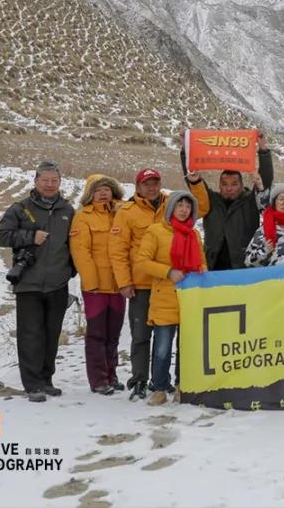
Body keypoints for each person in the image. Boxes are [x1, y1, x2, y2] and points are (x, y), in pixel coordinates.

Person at [0, 161, 75, 402]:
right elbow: (0, 236)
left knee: (52, 334)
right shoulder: (20, 208)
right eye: (45, 180)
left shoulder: (68, 210)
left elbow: (75, 244)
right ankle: (32, 385)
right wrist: (30, 236)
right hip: (29, 283)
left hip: (58, 283)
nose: (49, 185)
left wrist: (70, 271)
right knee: (30, 336)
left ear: (60, 182)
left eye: (54, 180)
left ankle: (46, 380)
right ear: (36, 181)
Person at [134, 191, 207, 406]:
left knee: (187, 347)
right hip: (164, 298)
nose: (184, 210)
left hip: (188, 299)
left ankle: (182, 386)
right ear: (171, 208)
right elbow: (142, 262)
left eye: (188, 206)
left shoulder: (194, 234)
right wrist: (168, 272)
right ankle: (159, 388)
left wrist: (202, 270)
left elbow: (202, 261)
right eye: (180, 205)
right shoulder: (155, 231)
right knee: (162, 348)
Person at [110, 168, 170, 401]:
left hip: (167, 283)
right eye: (147, 184)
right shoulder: (127, 212)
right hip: (141, 284)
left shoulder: (171, 205)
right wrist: (124, 282)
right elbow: (118, 250)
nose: (151, 187)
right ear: (138, 187)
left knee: (165, 336)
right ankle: (139, 379)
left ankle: (160, 379)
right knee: (141, 335)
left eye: (155, 183)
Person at [69, 174, 127, 395]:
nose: (103, 193)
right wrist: (91, 281)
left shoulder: (121, 213)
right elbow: (80, 252)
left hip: (119, 284)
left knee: (113, 334)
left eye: (107, 189)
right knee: (96, 334)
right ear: (90, 195)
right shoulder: (83, 217)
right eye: (98, 190)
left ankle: (112, 375)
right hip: (96, 287)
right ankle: (98, 380)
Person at [183, 130, 273, 270]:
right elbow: (193, 180)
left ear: (242, 185)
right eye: (224, 184)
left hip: (242, 268)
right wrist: (185, 150)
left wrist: (263, 150)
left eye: (234, 184)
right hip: (212, 267)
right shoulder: (211, 200)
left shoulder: (250, 201)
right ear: (219, 185)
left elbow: (264, 182)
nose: (229, 188)